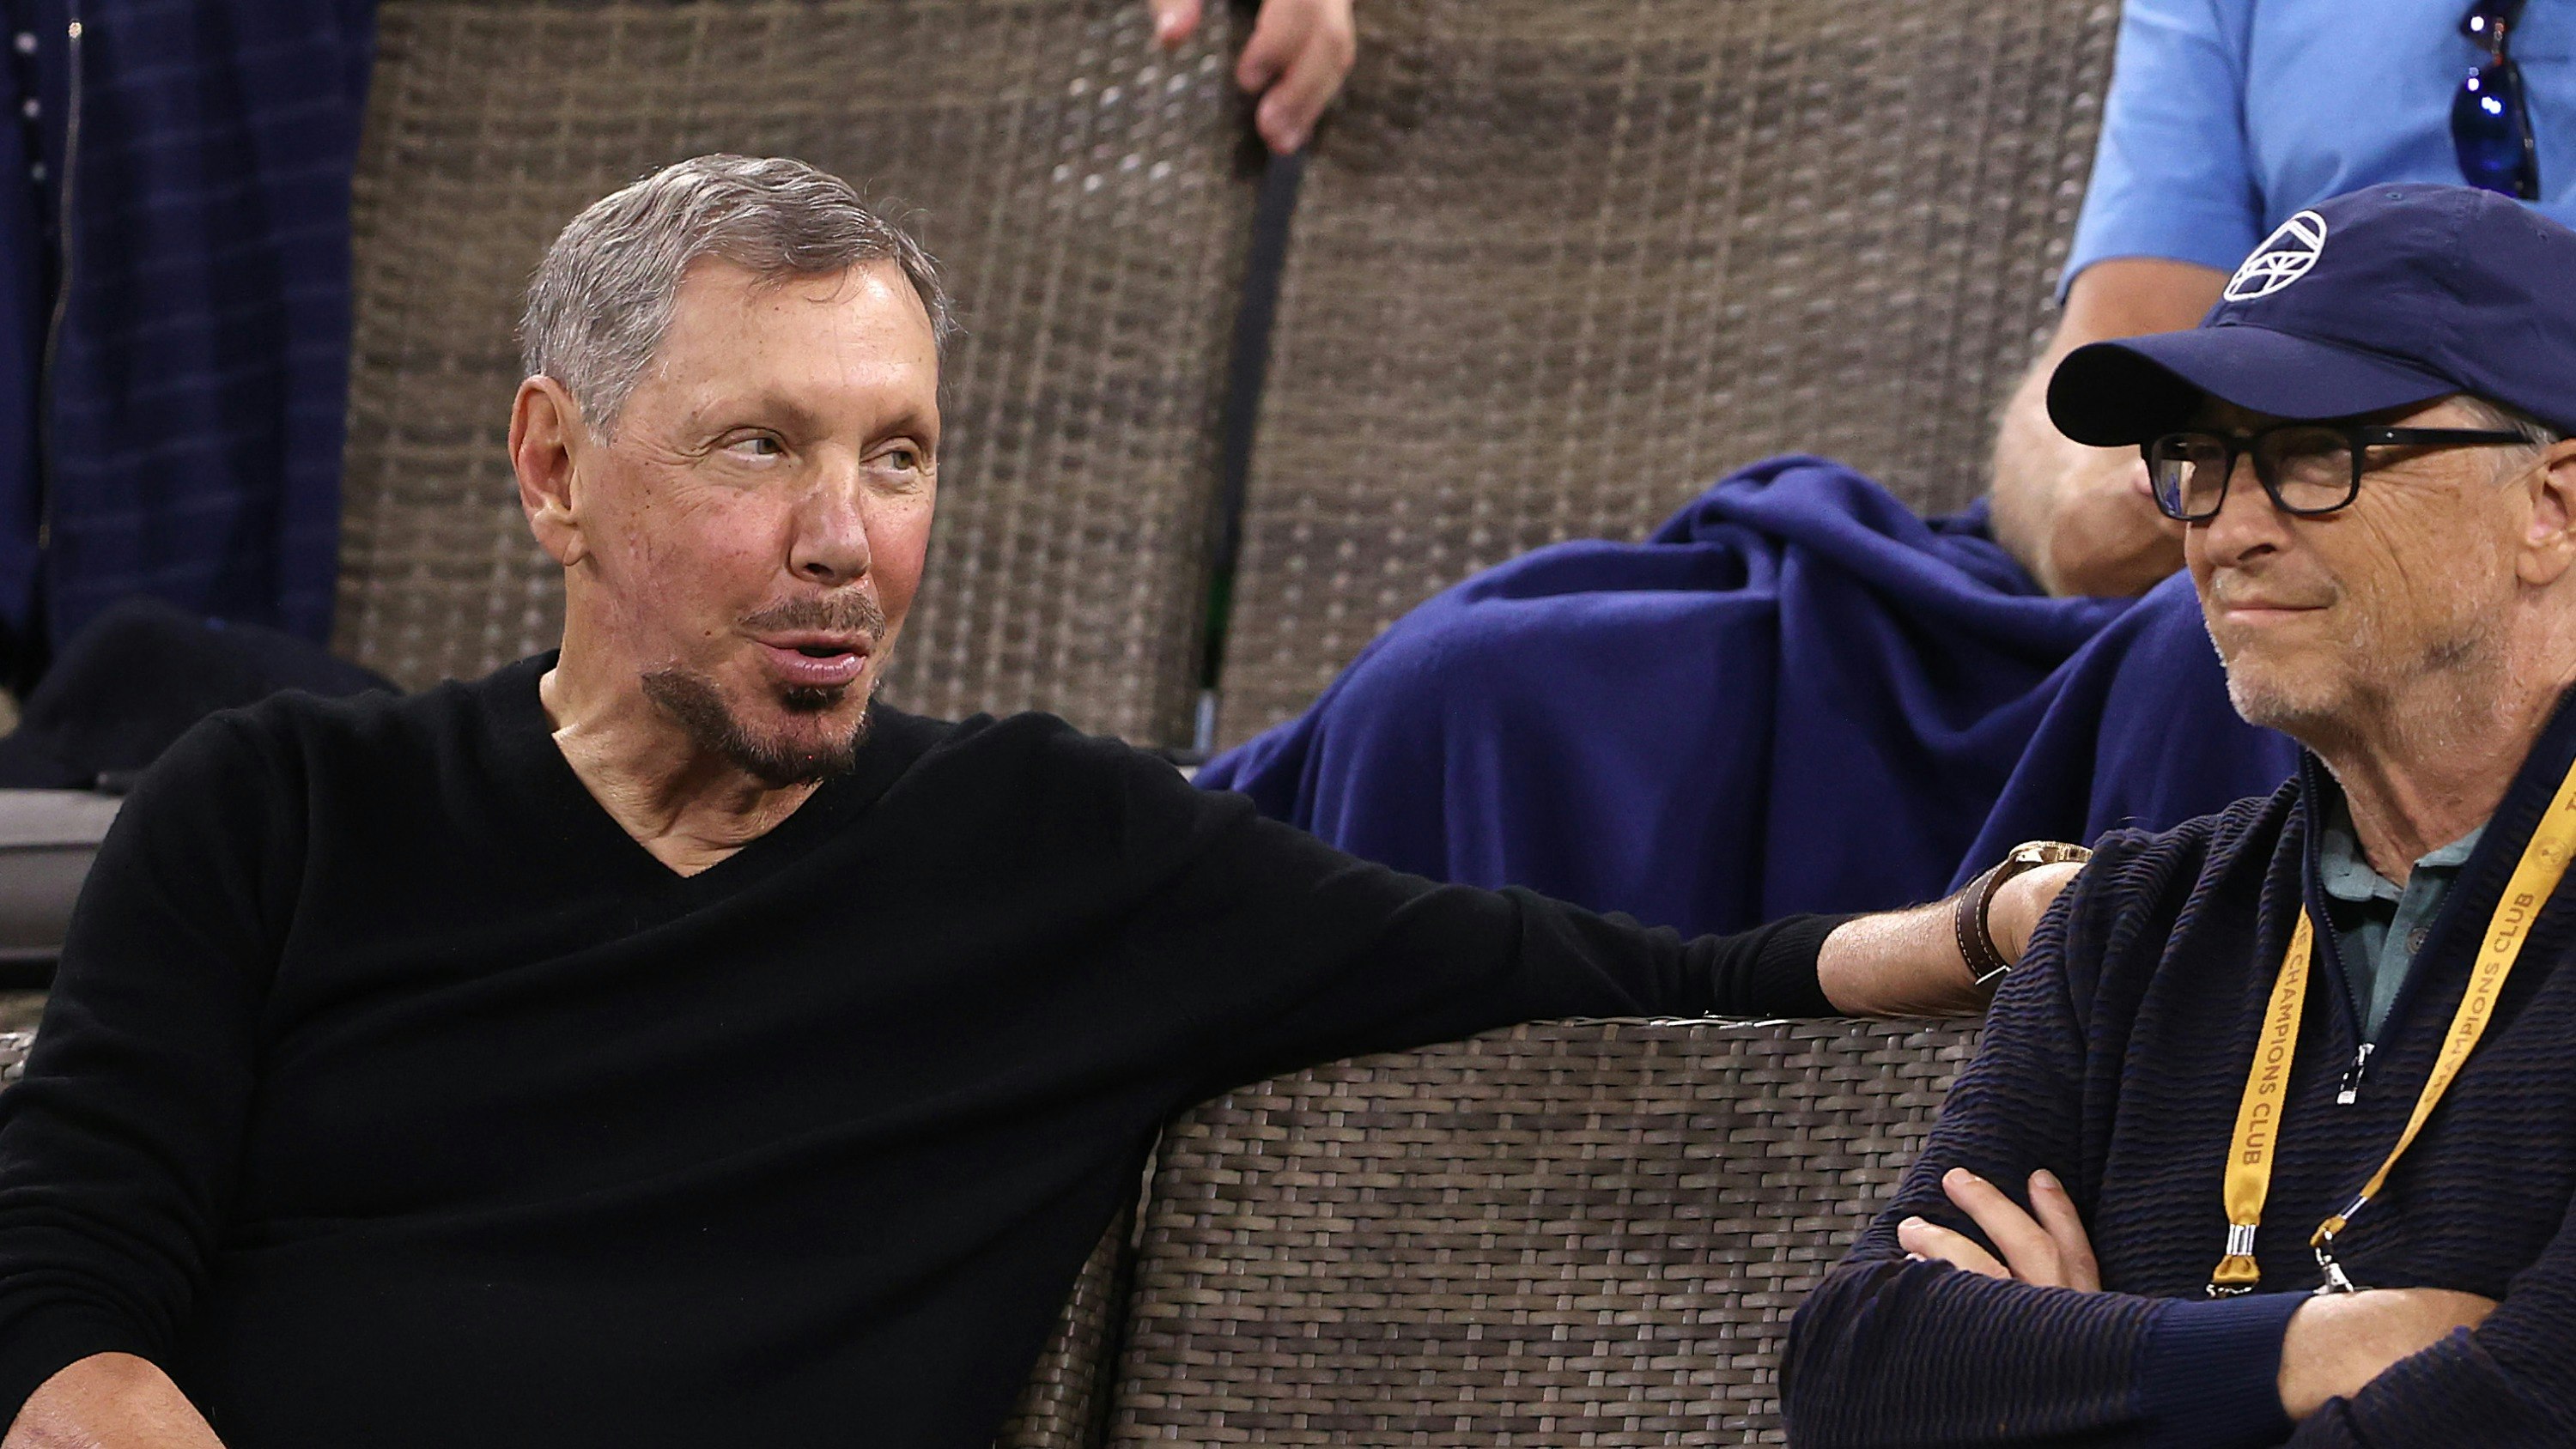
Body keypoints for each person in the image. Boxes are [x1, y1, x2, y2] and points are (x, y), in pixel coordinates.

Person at [0, 155, 2068, 1449]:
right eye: (759, 449)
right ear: (555, 469)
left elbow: (1595, 960)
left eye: (897, 457)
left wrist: (1976, 929)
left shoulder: (1055, 858)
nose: (845, 542)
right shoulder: (273, 807)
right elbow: (57, 1281)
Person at [1199, 0, 2576, 939]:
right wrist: (2146, 489)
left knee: (2250, 672)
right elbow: (2100, 361)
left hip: (2440, 559)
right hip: (2181, 534)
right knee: (1495, 688)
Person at [1783, 183, 2576, 1446]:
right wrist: (2335, 1343)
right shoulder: (2132, 924)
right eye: (2199, 462)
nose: (2225, 532)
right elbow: (1862, 1366)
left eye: (2318, 453)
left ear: (2555, 505)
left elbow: (2528, 1404)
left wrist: (2080, 1378)